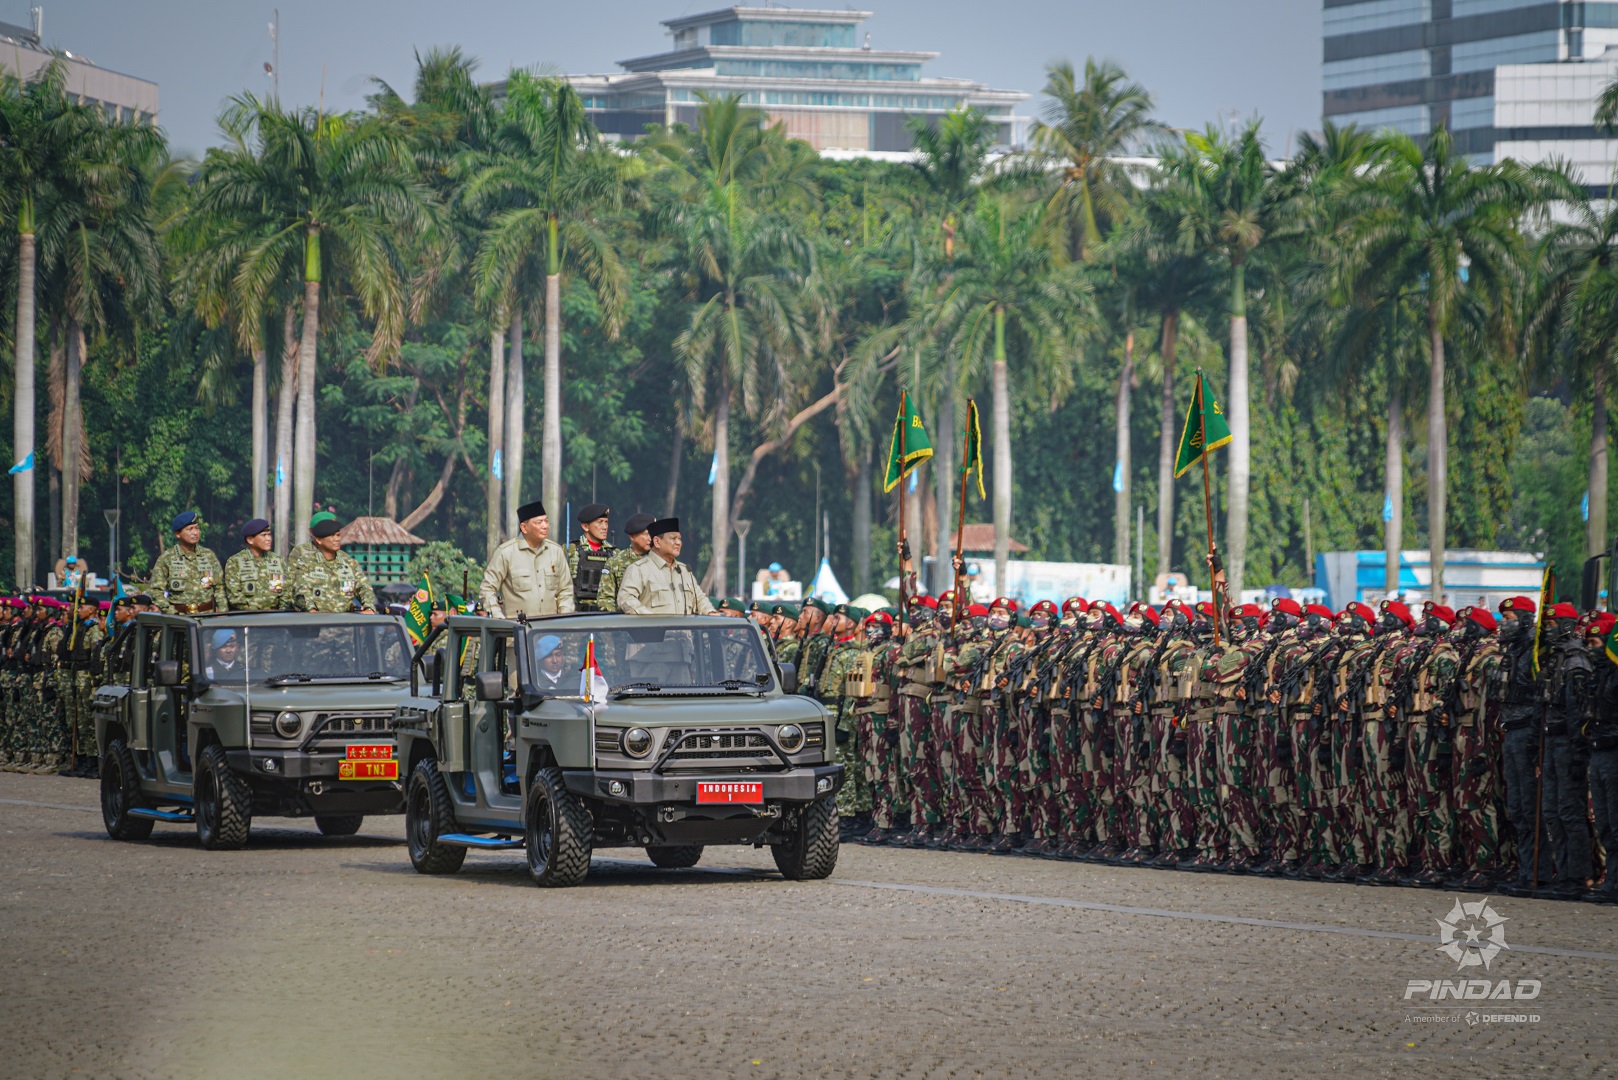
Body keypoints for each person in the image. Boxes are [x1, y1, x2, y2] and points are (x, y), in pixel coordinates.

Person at [479, 500, 575, 619]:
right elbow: (487, 588)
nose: (545, 526)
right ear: (524, 528)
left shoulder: (556, 551)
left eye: (546, 521)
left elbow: (565, 590)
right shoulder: (506, 553)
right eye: (539, 522)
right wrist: (499, 619)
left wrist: (563, 621)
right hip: (517, 631)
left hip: (550, 631)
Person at [615, 518, 715, 616]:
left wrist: (711, 612)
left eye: (679, 539)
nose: (678, 543)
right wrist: (650, 620)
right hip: (654, 631)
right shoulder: (639, 569)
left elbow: (700, 599)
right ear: (657, 542)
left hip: (684, 632)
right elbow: (626, 599)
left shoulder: (684, 571)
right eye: (673, 538)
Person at [289, 517, 377, 613]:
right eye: (332, 536)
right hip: (316, 623)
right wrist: (312, 610)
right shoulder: (306, 563)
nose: (336, 539)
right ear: (319, 540)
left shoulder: (349, 563)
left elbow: (364, 587)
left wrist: (369, 607)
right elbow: (301, 591)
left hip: (344, 623)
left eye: (338, 535)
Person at [150, 510, 228, 614]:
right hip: (179, 618)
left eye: (197, 528)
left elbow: (219, 587)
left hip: (207, 617)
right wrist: (171, 613)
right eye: (190, 529)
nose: (195, 533)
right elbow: (156, 591)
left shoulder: (208, 556)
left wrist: (222, 612)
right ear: (178, 534)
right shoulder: (167, 558)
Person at [225, 518, 289, 611]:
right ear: (250, 540)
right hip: (248, 617)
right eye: (264, 535)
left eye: (269, 535)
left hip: (276, 617)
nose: (268, 539)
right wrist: (254, 611)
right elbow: (234, 595)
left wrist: (281, 610)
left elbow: (287, 590)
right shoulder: (235, 562)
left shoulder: (278, 561)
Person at [597, 513, 655, 613]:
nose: (650, 538)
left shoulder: (658, 560)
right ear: (632, 536)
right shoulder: (615, 562)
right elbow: (605, 599)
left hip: (655, 619)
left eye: (652, 534)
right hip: (625, 622)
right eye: (646, 534)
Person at [567, 503, 616, 611]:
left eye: (606, 522)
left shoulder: (614, 553)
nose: (605, 527)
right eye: (600, 522)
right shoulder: (570, 551)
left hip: (606, 615)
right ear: (585, 526)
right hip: (576, 615)